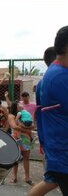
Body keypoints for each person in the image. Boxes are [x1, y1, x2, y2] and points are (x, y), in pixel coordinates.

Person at [39, 25, 68, 195]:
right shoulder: (59, 77)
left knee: (50, 182)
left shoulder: (56, 72)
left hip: (59, 147)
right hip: (63, 150)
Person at [28, 47, 58, 196]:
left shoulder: (43, 82)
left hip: (49, 138)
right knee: (52, 179)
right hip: (57, 141)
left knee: (52, 179)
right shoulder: (56, 78)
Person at [8, 101, 35, 186]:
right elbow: (14, 126)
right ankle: (14, 177)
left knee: (26, 158)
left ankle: (27, 177)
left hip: (26, 138)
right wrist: (27, 130)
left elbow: (33, 125)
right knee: (16, 158)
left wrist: (27, 127)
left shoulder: (25, 114)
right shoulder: (11, 116)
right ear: (15, 107)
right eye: (19, 105)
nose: (21, 106)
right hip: (17, 138)